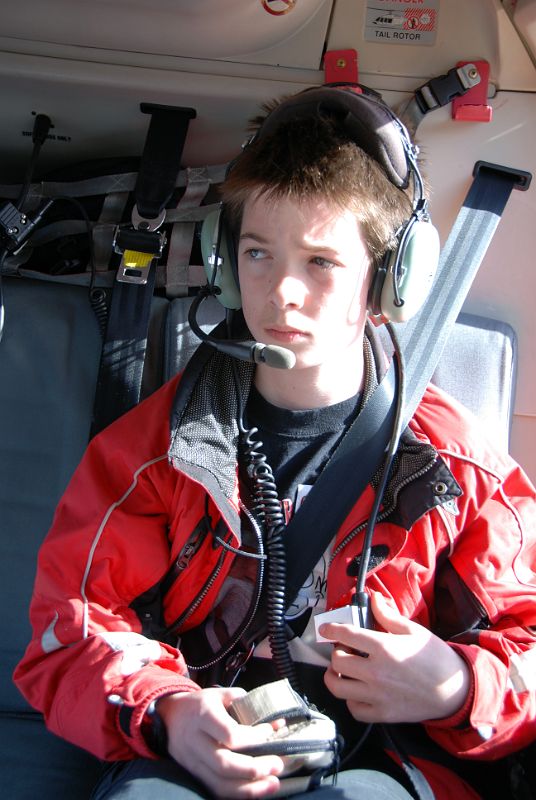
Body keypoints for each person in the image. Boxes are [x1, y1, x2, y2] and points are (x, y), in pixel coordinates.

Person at [14, 85, 536, 800]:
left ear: (392, 279)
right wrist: (170, 711)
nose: (282, 292)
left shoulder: (458, 464)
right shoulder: (157, 452)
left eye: (320, 262)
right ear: (224, 262)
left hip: (384, 763)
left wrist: (455, 686)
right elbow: (70, 632)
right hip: (197, 758)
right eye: (258, 253)